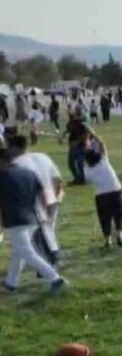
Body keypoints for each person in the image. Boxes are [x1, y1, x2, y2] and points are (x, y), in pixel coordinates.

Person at [0, 147, 67, 293]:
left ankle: (55, 278)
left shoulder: (2, 176)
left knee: (26, 251)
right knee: (20, 251)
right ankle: (11, 282)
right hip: (33, 217)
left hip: (16, 219)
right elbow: (42, 194)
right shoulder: (28, 173)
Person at [10, 134, 63, 264]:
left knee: (37, 233)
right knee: (48, 229)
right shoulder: (42, 156)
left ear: (15, 148)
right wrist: (56, 196)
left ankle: (49, 260)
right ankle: (49, 259)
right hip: (51, 194)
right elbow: (57, 179)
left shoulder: (17, 163)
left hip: (35, 199)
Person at [84, 132, 122, 248]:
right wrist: (93, 134)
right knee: (119, 214)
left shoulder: (87, 170)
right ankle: (120, 236)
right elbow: (102, 143)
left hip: (101, 195)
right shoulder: (104, 160)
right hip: (115, 189)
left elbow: (86, 178)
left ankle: (107, 240)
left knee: (104, 217)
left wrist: (86, 146)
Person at [66, 113, 90, 184]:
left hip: (80, 147)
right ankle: (77, 178)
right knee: (71, 164)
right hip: (72, 148)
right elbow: (68, 130)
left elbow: (86, 134)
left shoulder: (82, 125)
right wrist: (62, 136)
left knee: (80, 164)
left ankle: (82, 180)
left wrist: (78, 142)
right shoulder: (71, 123)